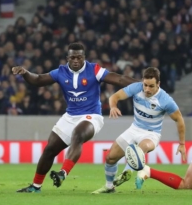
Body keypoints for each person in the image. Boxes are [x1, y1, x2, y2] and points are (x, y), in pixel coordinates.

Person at [13, 42, 138, 193]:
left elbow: (118, 79)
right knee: (50, 149)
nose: (76, 60)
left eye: (79, 57)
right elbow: (38, 80)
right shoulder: (61, 72)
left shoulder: (94, 70)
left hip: (92, 116)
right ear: (68, 58)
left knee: (77, 134)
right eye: (73, 57)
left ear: (84, 58)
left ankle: (63, 173)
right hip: (70, 116)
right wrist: (25, 73)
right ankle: (35, 186)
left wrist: (141, 85)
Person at [91, 67, 187, 194]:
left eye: (151, 86)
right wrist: (113, 107)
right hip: (134, 129)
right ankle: (109, 186)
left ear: (158, 84)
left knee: (141, 148)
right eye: (145, 85)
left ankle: (127, 171)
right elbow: (114, 96)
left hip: (151, 134)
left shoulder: (165, 100)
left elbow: (179, 119)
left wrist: (182, 144)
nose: (147, 89)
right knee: (110, 158)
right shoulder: (136, 88)